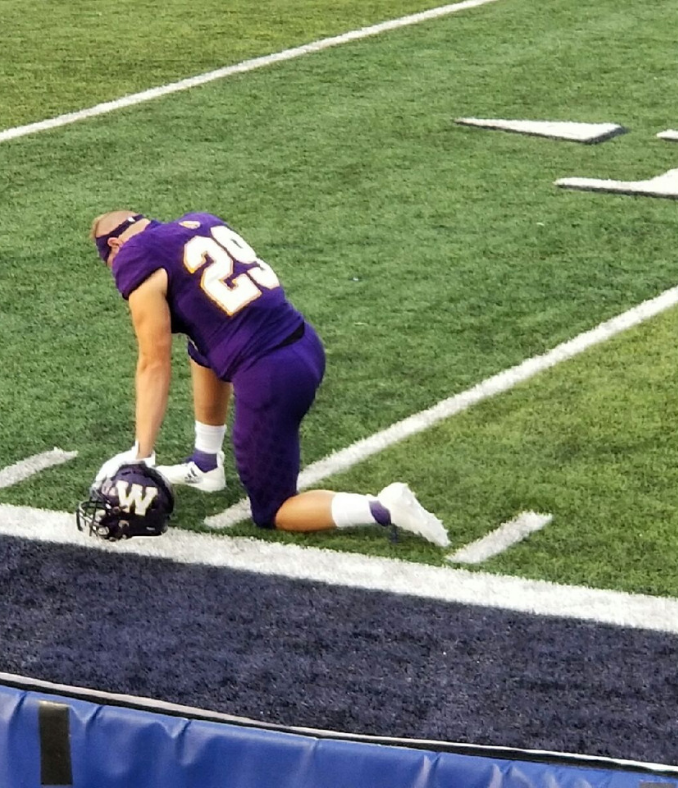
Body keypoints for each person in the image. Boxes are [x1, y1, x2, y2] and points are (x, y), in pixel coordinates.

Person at [88, 209, 449, 546]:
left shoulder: (134, 256)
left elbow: (153, 363)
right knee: (203, 344)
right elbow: (206, 337)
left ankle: (383, 508)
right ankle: (206, 463)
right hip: (302, 344)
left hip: (270, 376)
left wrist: (141, 453)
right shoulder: (199, 222)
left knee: (274, 510)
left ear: (116, 246)